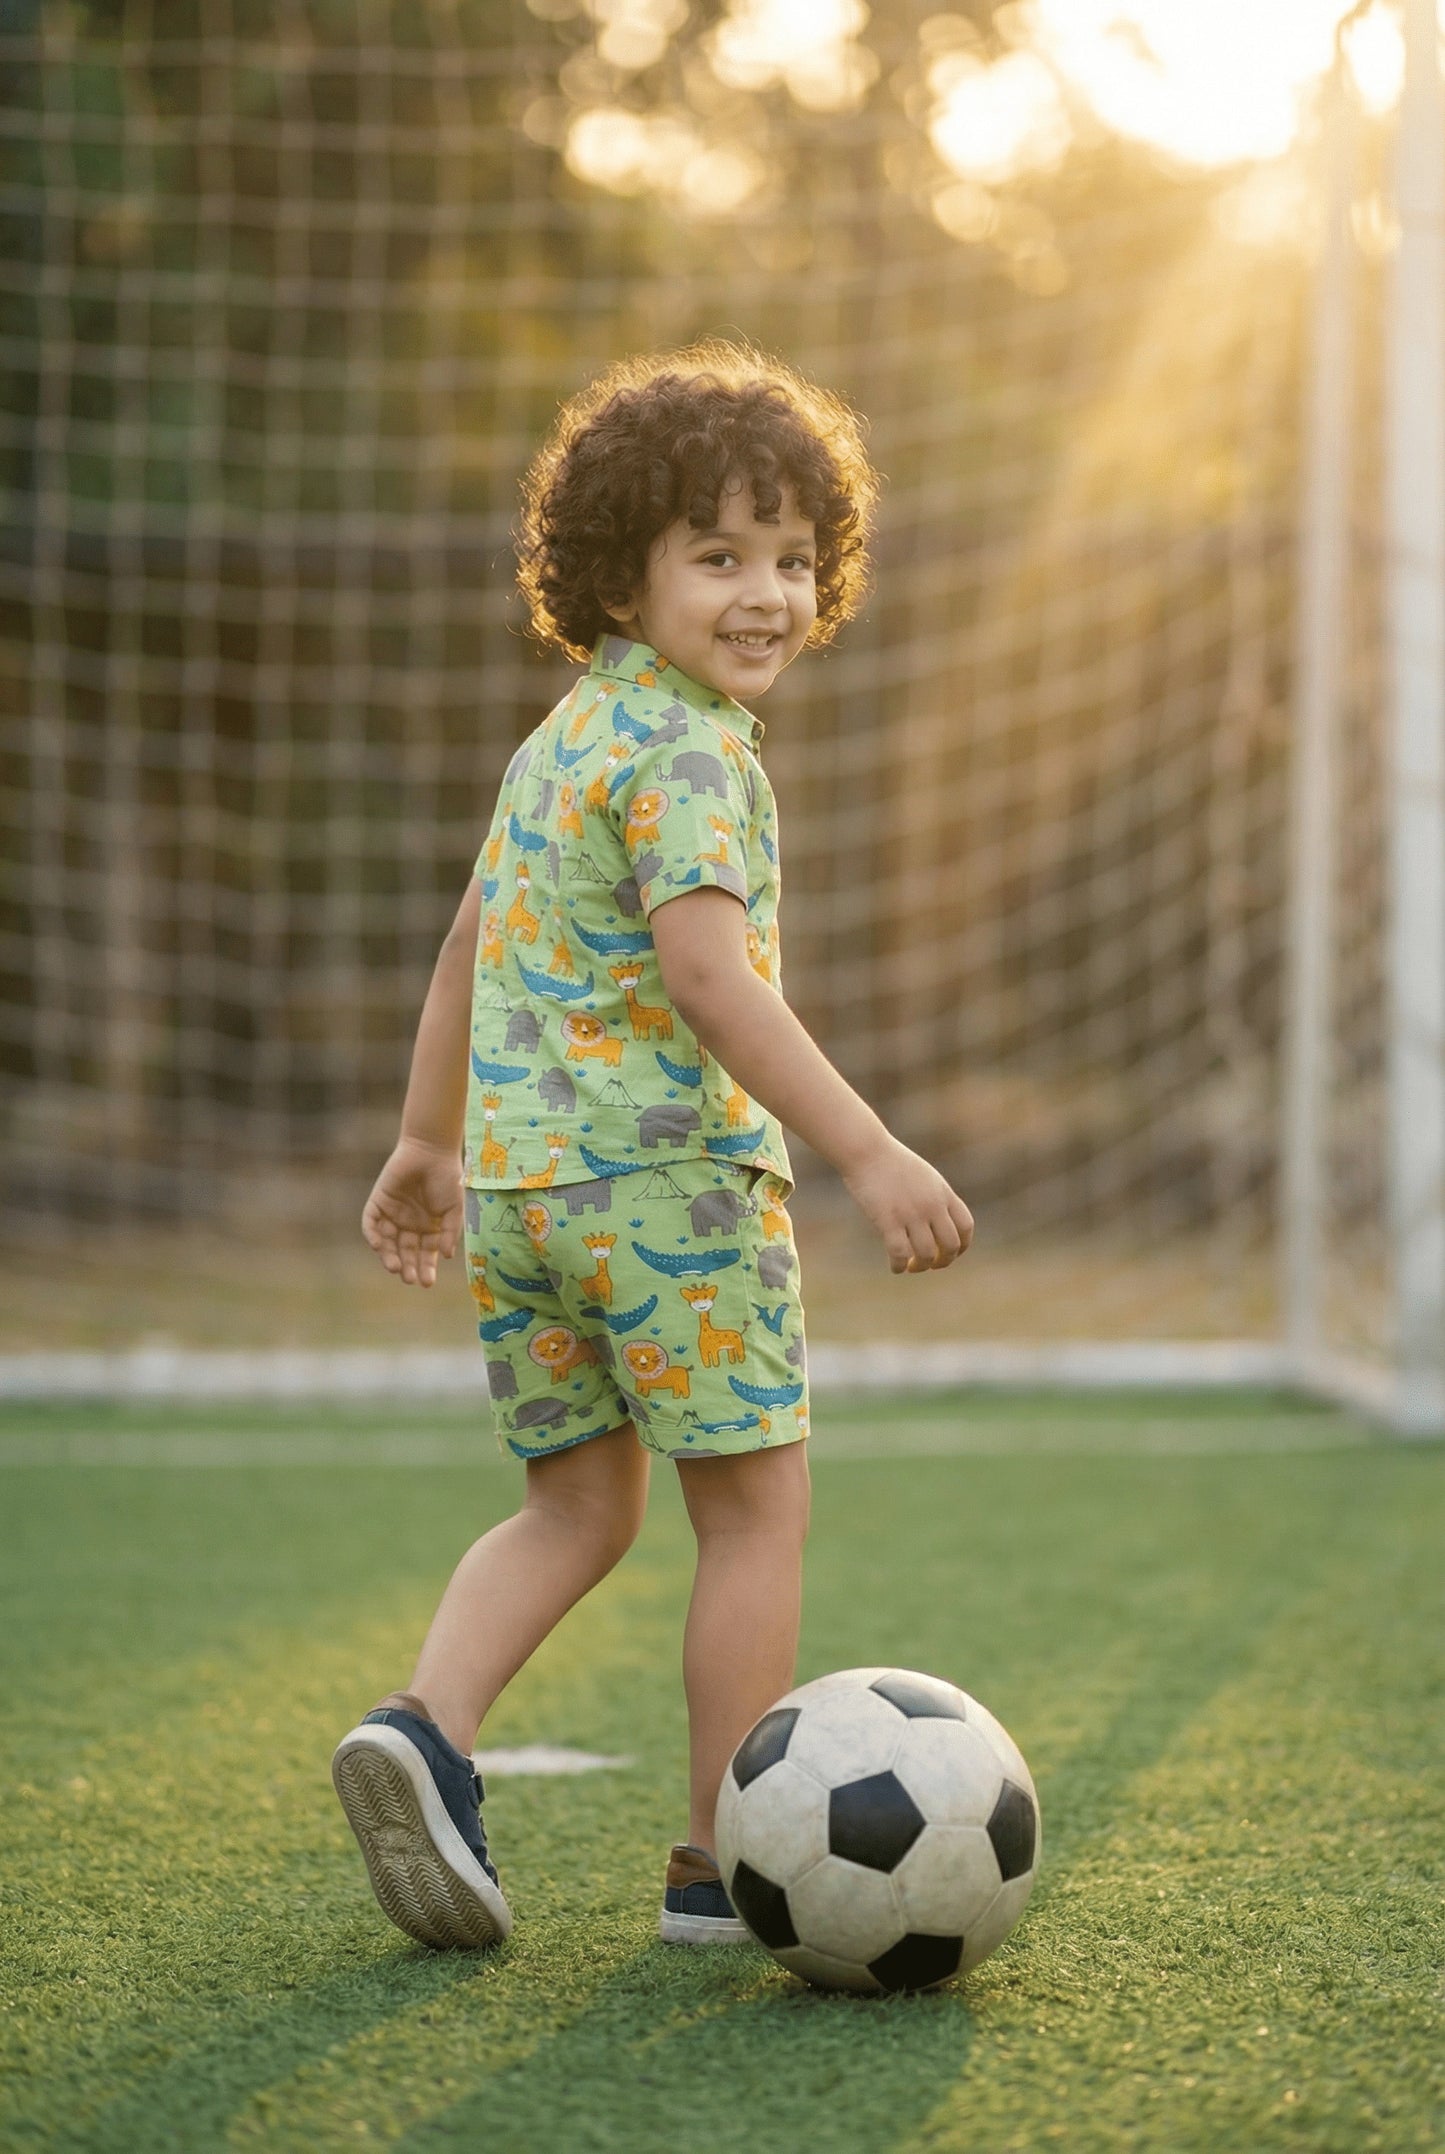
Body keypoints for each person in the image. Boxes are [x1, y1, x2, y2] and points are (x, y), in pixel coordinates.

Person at [331, 342, 974, 1952]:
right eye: (718, 556)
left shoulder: (556, 743)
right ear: (620, 577)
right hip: (674, 1192)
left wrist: (424, 1141)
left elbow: (466, 949)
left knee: (575, 1509)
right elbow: (708, 977)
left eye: (792, 558)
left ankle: (424, 1725)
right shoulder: (693, 749)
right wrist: (868, 1148)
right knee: (752, 1515)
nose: (767, 595)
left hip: (523, 1196)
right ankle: (718, 1865)